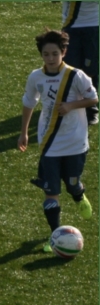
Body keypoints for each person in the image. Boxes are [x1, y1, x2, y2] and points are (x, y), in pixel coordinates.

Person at [17, 29, 97, 252]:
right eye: (46, 54)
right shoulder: (36, 77)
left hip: (75, 142)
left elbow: (93, 98)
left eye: (55, 54)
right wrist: (24, 132)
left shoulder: (76, 76)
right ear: (41, 55)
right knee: (51, 191)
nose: (50, 58)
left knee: (71, 185)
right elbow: (29, 103)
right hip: (49, 143)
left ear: (63, 52)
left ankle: (79, 195)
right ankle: (55, 235)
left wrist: (71, 105)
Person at [62, 1, 99, 124]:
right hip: (71, 26)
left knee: (91, 70)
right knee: (70, 69)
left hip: (94, 24)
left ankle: (91, 108)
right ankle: (70, 104)